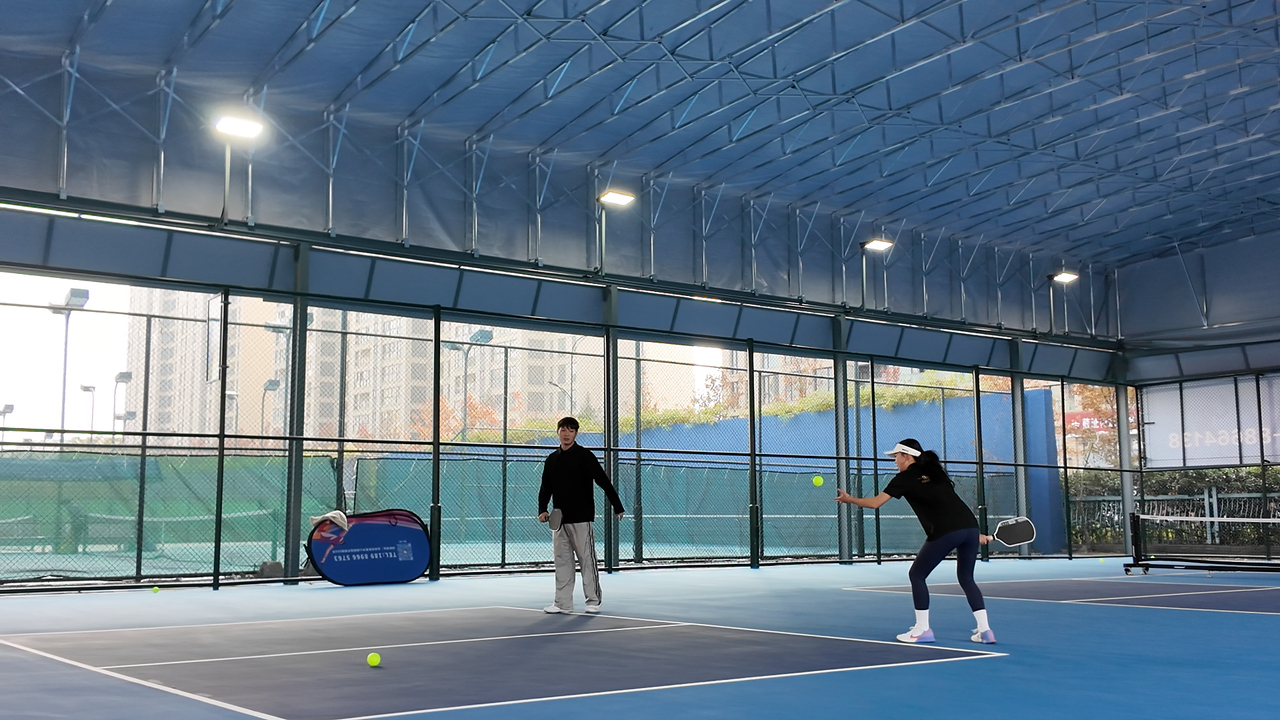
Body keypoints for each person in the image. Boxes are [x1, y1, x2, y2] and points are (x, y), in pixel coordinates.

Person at [835, 438, 996, 644]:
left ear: (907, 456)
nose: (895, 461)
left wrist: (849, 499)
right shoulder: (936, 473)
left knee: (917, 574)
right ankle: (985, 631)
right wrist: (972, 534)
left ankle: (922, 629)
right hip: (970, 527)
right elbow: (949, 504)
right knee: (966, 578)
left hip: (946, 530)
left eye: (896, 457)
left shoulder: (904, 478)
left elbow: (875, 503)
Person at [538, 416, 625, 614]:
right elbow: (545, 487)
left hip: (582, 519)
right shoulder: (551, 459)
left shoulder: (585, 456)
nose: (566, 433)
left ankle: (593, 600)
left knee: (587, 560)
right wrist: (542, 509)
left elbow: (603, 481)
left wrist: (617, 506)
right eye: (563, 429)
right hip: (559, 521)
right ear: (558, 432)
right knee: (562, 562)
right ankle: (562, 603)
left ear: (576, 433)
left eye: (571, 430)